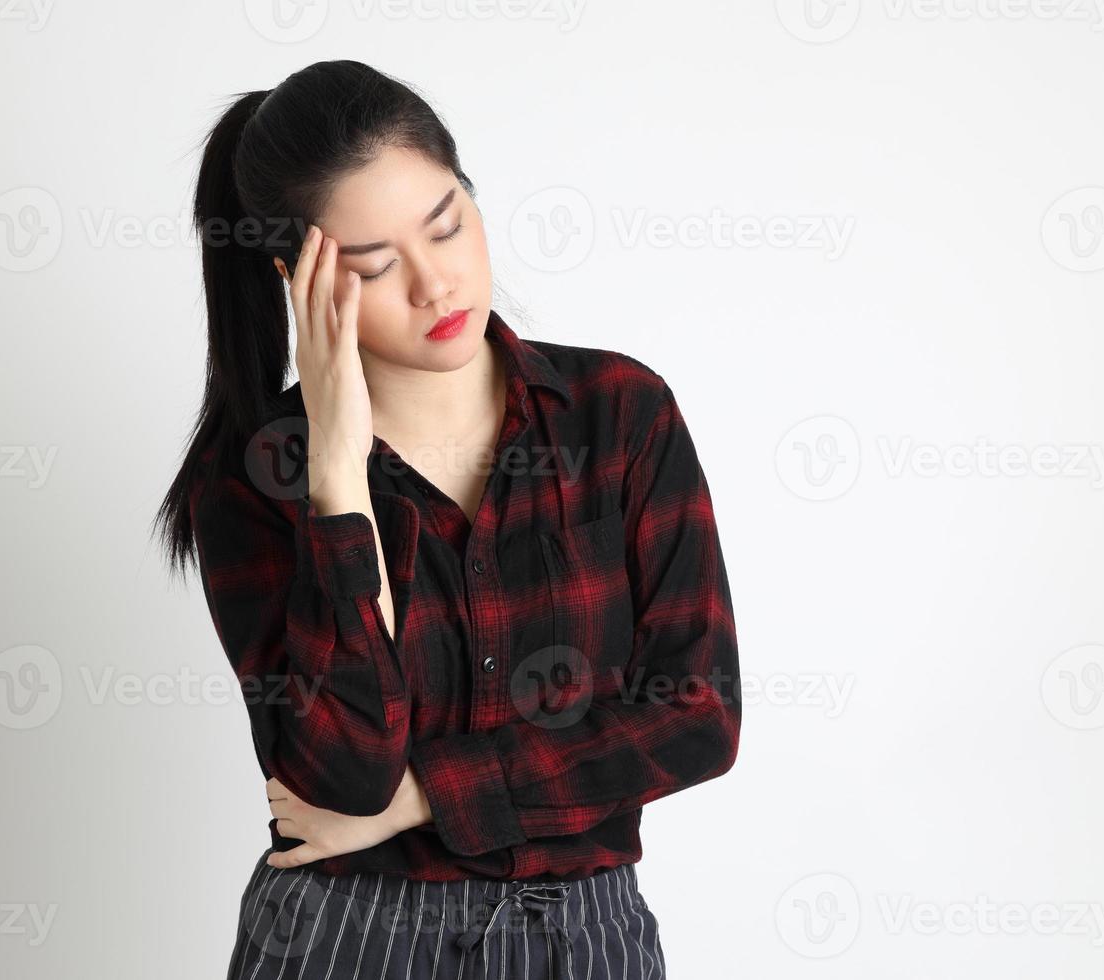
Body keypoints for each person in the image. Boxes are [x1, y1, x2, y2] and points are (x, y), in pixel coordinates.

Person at [153, 59, 742, 980]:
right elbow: (343, 778)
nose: (436, 286)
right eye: (376, 266)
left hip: (584, 940)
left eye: (448, 225)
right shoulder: (255, 477)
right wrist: (338, 484)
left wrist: (427, 796)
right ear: (296, 280)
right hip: (348, 940)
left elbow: (698, 717)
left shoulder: (620, 414)